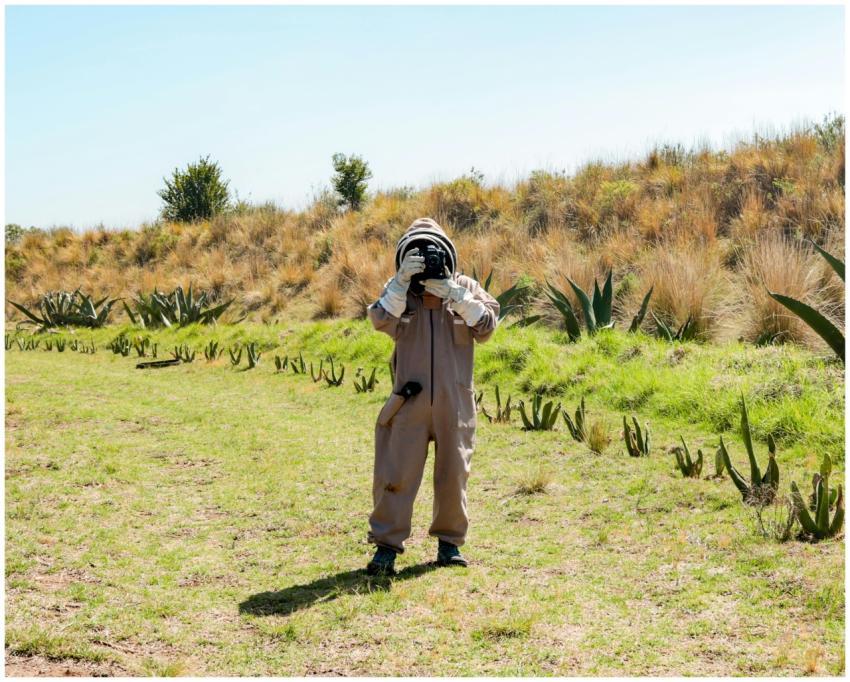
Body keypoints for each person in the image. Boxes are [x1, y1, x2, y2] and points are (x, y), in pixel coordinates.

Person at [365, 217, 499, 575]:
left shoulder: (466, 286)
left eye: (432, 251)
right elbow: (379, 320)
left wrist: (457, 296)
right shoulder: (399, 290)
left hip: (455, 402)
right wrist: (401, 281)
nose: (426, 258)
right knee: (396, 473)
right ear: (404, 254)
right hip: (408, 400)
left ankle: (449, 545)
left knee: (454, 474)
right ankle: (386, 549)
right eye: (417, 252)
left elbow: (487, 327)